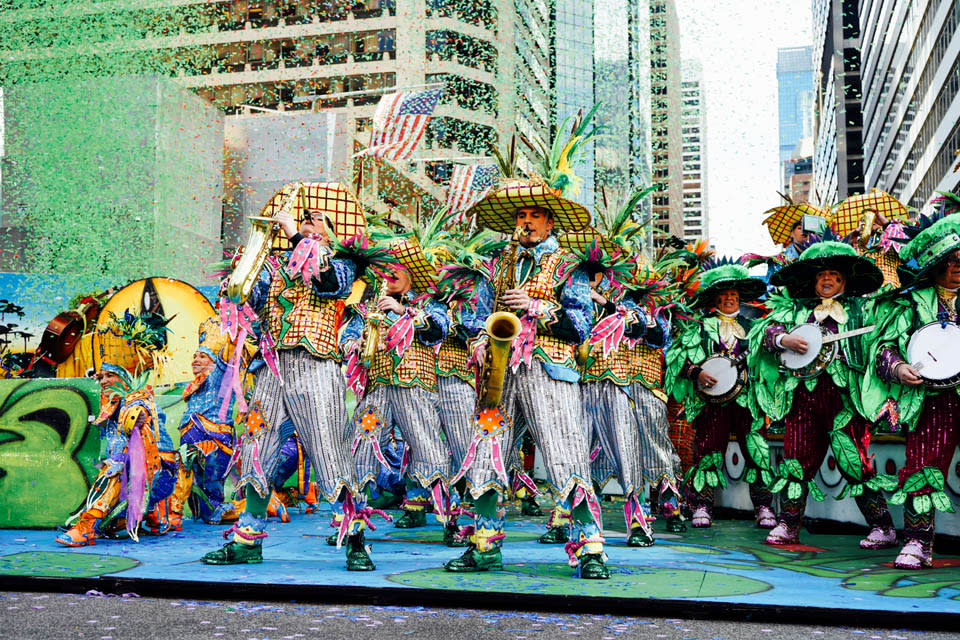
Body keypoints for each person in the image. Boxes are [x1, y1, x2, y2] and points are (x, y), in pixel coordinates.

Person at [201, 182, 383, 570]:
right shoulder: (276, 265)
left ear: (334, 230)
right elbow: (246, 301)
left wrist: (297, 235)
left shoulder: (343, 262)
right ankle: (247, 539)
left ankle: (355, 538)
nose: (308, 223)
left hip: (317, 366)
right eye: (305, 218)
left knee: (330, 448)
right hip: (270, 366)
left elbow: (330, 282)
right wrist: (239, 279)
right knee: (255, 445)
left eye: (318, 219)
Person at [444, 178, 605, 578]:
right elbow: (475, 317)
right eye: (521, 215)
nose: (527, 222)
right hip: (499, 371)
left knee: (565, 453)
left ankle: (591, 549)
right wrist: (480, 340)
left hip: (548, 368)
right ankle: (484, 543)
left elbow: (583, 324)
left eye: (535, 216)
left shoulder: (570, 266)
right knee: (485, 455)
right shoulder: (495, 266)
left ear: (550, 224)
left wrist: (537, 307)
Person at [748, 234, 896, 548]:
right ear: (814, 282)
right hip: (802, 396)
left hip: (845, 398)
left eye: (834, 275)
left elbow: (884, 343)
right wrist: (783, 340)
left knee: (854, 461)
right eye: (821, 275)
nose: (827, 279)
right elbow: (764, 330)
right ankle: (788, 525)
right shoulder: (797, 313)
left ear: (845, 282)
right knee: (795, 461)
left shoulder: (862, 312)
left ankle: (883, 527)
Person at [864, 212, 960, 568]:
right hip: (932, 399)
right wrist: (899, 367)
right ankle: (918, 542)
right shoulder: (910, 303)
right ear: (935, 266)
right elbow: (882, 350)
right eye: (950, 261)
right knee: (922, 467)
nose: (957, 267)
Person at [344, 235, 452, 533]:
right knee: (362, 447)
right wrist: (354, 343)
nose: (388, 275)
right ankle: (353, 524)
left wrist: (404, 311)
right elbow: (347, 335)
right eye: (384, 269)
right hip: (376, 387)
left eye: (395, 269)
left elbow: (439, 329)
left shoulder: (428, 303)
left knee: (426, 448)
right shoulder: (368, 305)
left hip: (414, 385)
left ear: (411, 273)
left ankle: (448, 521)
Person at [665, 260, 775, 529]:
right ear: (715, 298)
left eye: (734, 295)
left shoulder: (752, 328)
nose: (729, 299)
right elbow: (678, 360)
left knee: (756, 451)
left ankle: (763, 506)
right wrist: (697, 373)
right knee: (707, 451)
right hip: (710, 402)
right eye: (724, 294)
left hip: (747, 401)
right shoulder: (699, 328)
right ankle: (702, 505)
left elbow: (765, 362)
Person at [56, 310, 176, 545]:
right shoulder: (109, 404)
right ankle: (151, 514)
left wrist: (136, 418)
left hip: (157, 473)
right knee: (111, 520)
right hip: (135, 478)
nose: (103, 381)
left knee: (114, 466)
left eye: (110, 375)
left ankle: (87, 526)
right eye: (101, 377)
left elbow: (137, 415)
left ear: (124, 377)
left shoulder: (138, 397)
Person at [170, 319, 249, 526]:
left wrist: (235, 329)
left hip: (215, 438)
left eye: (202, 356)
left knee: (212, 490)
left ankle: (254, 506)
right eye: (194, 356)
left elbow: (229, 354)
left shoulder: (220, 374)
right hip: (191, 436)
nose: (196, 360)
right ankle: (174, 514)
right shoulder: (193, 384)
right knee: (193, 489)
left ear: (214, 361)